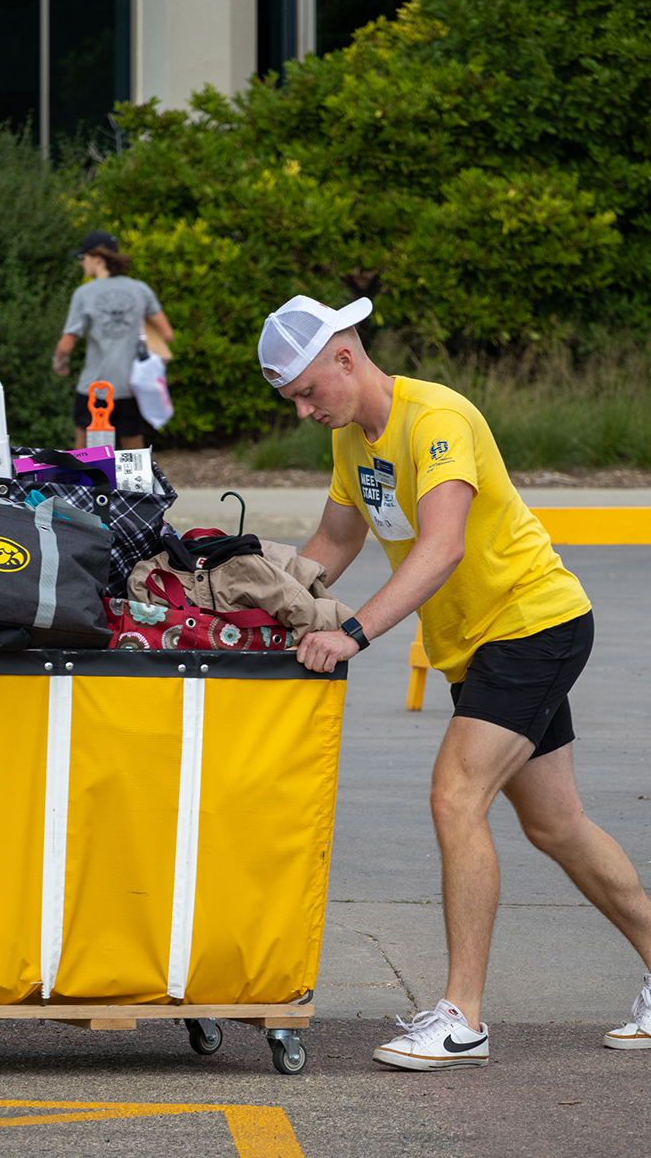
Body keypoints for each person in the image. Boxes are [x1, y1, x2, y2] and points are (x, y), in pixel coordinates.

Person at [257, 293, 651, 1071]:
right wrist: (271, 609)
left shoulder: (436, 419)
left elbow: (442, 548)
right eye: (291, 400)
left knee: (454, 796)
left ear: (345, 356)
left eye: (307, 391)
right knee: (556, 826)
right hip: (476, 646)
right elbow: (336, 539)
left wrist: (352, 634)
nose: (303, 411)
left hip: (531, 625)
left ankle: (462, 1018)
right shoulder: (354, 440)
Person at [52, 230, 174, 449]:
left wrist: (59, 362)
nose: (82, 264)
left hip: (94, 388)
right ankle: (136, 485)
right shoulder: (140, 289)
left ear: (97, 258)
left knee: (86, 455)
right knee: (134, 458)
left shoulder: (84, 293)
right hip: (131, 387)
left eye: (83, 258)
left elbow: (67, 343)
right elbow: (167, 335)